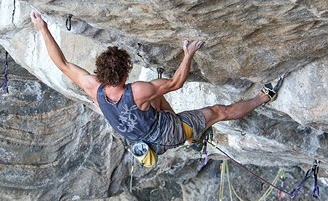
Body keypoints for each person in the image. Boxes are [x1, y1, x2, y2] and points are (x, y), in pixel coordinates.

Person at [30, 10, 282, 155]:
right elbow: (176, 82)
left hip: (146, 145)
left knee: (155, 98)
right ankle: (264, 97)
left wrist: (42, 28)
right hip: (168, 134)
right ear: (126, 74)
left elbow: (61, 63)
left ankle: (192, 137)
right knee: (218, 112)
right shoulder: (137, 91)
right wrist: (188, 54)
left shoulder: (93, 87)